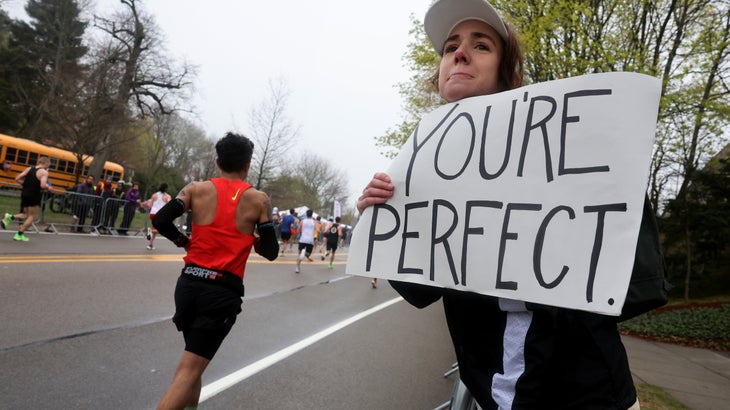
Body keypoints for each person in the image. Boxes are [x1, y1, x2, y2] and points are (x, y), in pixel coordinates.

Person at [357, 1, 639, 409]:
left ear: (509, 74)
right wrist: (385, 218)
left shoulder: (563, 144)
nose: (459, 52)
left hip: (588, 393)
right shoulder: (423, 165)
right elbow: (419, 289)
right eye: (450, 45)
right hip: (493, 393)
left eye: (482, 45)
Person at [153, 132, 278, 410]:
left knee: (193, 363)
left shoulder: (195, 189)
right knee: (188, 371)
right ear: (248, 165)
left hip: (188, 286)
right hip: (220, 292)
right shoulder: (259, 200)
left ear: (218, 161)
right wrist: (253, 237)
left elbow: (160, 219)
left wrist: (182, 241)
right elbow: (271, 252)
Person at [1, 156, 51, 241]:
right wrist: (48, 187)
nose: (48, 166)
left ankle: (10, 217)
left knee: (26, 215)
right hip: (34, 195)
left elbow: (17, 178)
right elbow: (42, 185)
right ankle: (19, 234)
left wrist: (25, 184)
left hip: (25, 193)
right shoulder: (44, 172)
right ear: (46, 163)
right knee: (32, 216)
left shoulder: (29, 169)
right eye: (48, 164)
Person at [147, 183, 172, 250]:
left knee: (155, 228)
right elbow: (169, 205)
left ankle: (150, 244)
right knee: (163, 229)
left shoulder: (154, 195)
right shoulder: (167, 196)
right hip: (160, 214)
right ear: (166, 188)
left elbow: (150, 205)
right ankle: (151, 231)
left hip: (152, 213)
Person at [295, 209, 316, 273]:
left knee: (299, 254)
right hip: (310, 240)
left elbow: (298, 230)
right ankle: (304, 253)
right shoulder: (314, 222)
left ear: (306, 214)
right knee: (308, 254)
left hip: (302, 239)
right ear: (312, 214)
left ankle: (297, 267)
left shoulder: (302, 221)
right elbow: (318, 230)